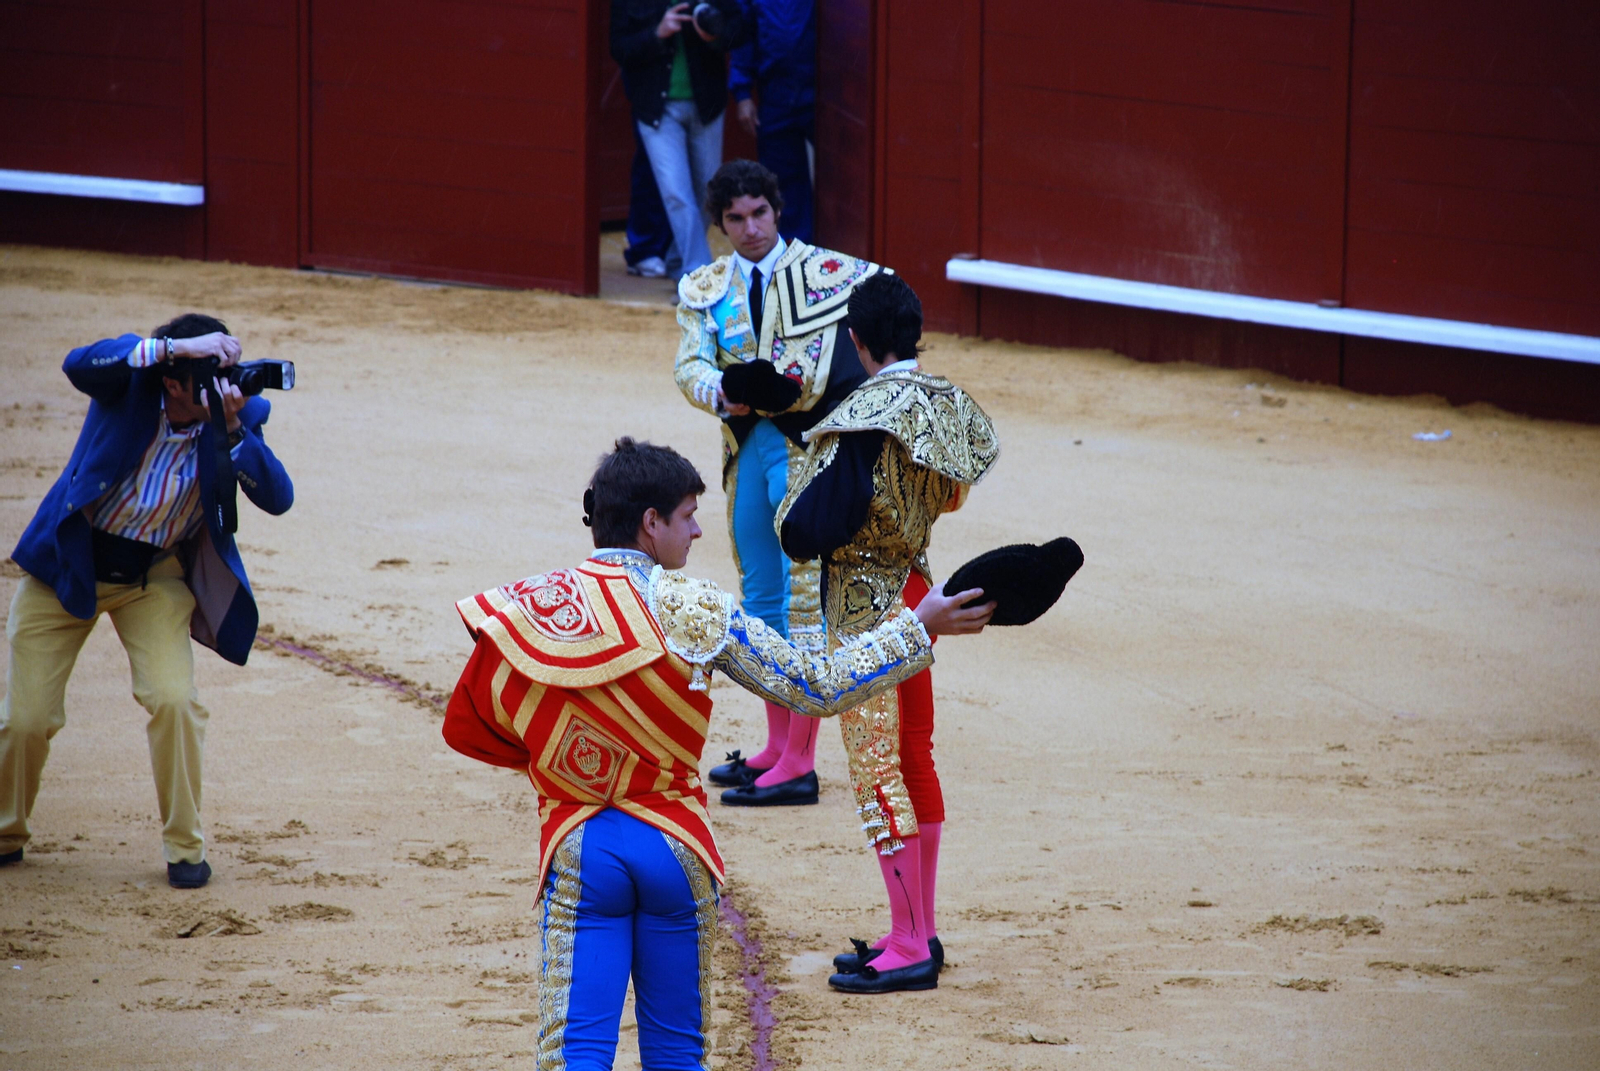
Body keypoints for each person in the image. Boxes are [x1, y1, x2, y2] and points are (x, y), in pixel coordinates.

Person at [441, 437, 991, 1069]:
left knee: (575, 1052)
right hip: (674, 846)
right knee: (678, 1050)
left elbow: (478, 723)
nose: (699, 530)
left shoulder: (528, 608)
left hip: (581, 844)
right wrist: (918, 626)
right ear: (650, 525)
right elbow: (816, 686)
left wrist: (564, 763)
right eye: (686, 516)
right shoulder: (699, 609)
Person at [1, 315, 294, 889]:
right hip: (69, 567)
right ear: (173, 381)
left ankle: (186, 851)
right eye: (206, 375)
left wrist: (233, 433)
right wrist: (169, 348)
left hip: (153, 577)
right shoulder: (130, 386)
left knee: (175, 700)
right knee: (27, 719)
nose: (221, 387)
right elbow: (78, 361)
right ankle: (6, 830)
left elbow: (278, 498)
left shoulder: (236, 417)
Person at [777, 272, 1000, 994]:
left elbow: (805, 531)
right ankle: (920, 928)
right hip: (917, 588)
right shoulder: (948, 404)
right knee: (914, 754)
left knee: (879, 769)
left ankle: (908, 941)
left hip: (865, 608)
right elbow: (958, 491)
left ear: (856, 340)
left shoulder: (862, 416)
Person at [674, 159, 882, 807]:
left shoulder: (828, 275)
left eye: (759, 212)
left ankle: (800, 760)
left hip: (805, 450)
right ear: (721, 224)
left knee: (803, 599)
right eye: (735, 218)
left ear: (777, 208)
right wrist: (721, 396)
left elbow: (880, 326)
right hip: (747, 448)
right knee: (761, 597)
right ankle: (774, 746)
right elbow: (690, 366)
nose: (750, 227)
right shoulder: (707, 288)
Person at [610, 0, 744, 279]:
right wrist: (656, 33)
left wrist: (714, 35)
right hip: (656, 107)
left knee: (709, 193)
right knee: (677, 194)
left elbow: (741, 30)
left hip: (706, 104)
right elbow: (619, 47)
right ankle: (698, 275)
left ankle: (676, 259)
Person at [729, 0, 816, 243]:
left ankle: (839, 259)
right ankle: (794, 257)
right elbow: (743, 39)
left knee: (845, 176)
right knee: (783, 185)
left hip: (827, 97)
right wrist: (743, 93)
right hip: (776, 95)